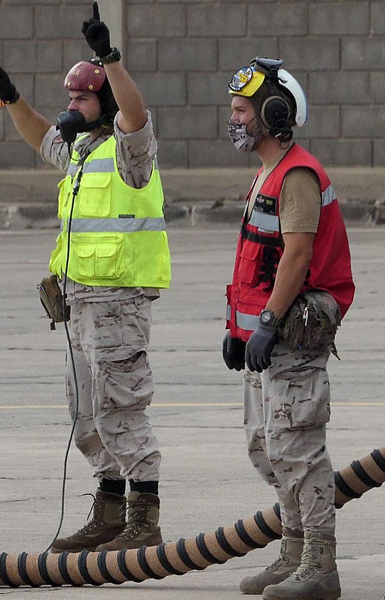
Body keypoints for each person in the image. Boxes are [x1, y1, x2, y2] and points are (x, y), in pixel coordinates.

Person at [0, 2, 170, 553]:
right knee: (86, 414)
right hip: (79, 303)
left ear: (105, 102)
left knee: (121, 407)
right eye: (69, 97)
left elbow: (135, 115)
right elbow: (44, 140)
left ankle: (144, 518)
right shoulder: (84, 152)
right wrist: (11, 99)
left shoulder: (130, 152)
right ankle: (109, 510)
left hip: (119, 300)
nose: (71, 105)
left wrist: (109, 58)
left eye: (81, 97)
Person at [223, 57, 355, 600]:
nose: (232, 120)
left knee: (298, 448)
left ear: (273, 114)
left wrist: (269, 323)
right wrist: (239, 329)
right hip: (266, 337)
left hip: (293, 336)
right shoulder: (266, 174)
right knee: (267, 446)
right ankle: (293, 553)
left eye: (241, 111)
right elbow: (257, 260)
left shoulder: (296, 174)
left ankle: (321, 567)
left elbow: (297, 256)